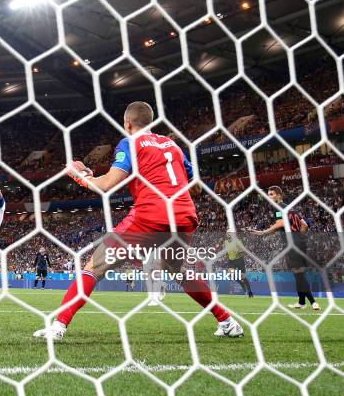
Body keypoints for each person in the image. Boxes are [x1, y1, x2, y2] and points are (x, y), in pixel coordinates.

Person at [33, 101, 243, 340]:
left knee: (94, 267)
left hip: (150, 216)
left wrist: (78, 175)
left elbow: (108, 185)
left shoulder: (130, 142)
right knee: (178, 270)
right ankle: (227, 321)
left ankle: (59, 325)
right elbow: (195, 187)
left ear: (127, 123)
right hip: (185, 216)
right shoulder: (172, 145)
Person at [251, 186, 319, 310]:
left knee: (298, 273)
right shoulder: (291, 208)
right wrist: (299, 237)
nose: (269, 197)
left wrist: (262, 232)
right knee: (297, 274)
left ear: (279, 195)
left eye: (271, 194)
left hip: (291, 243)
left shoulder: (278, 207)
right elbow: (304, 225)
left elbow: (280, 223)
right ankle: (301, 302)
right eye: (268, 194)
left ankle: (313, 302)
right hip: (297, 242)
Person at [223, 229, 253, 297]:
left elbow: (243, 250)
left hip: (239, 260)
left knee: (243, 277)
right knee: (231, 274)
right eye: (227, 233)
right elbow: (227, 251)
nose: (227, 234)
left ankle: (249, 291)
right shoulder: (226, 242)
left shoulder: (237, 241)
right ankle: (242, 285)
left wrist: (240, 252)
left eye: (228, 233)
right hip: (231, 261)